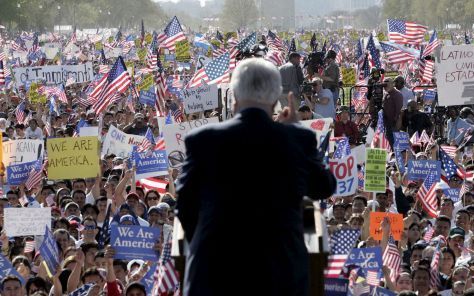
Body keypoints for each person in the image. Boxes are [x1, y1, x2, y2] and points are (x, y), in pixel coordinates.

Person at [177, 58, 336, 296]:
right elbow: (323, 187)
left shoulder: (202, 140)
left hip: (215, 274)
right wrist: (297, 131)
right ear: (275, 99)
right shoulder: (296, 139)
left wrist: (208, 244)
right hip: (281, 276)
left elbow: (186, 206)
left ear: (233, 97)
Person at [382, 77, 403, 148]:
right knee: (389, 141)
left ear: (392, 84)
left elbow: (398, 110)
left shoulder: (397, 94)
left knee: (394, 142)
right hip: (387, 123)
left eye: (387, 83)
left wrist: (396, 121)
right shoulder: (387, 95)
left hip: (394, 123)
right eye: (384, 84)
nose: (385, 86)